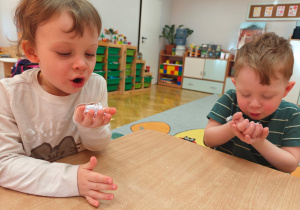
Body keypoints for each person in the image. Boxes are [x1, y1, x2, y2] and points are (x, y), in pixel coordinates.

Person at [0, 0, 117, 207]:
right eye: (64, 52)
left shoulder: (95, 85)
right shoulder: (9, 94)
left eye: (90, 53)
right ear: (32, 52)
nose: (82, 64)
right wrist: (70, 180)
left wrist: (91, 129)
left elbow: (98, 147)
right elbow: (4, 164)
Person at [204, 32, 300, 173]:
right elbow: (208, 140)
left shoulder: (292, 114)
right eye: (245, 94)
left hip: (262, 184)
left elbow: (290, 164)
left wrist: (259, 142)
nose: (254, 104)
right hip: (221, 172)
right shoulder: (230, 99)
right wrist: (232, 129)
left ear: (287, 89)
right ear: (236, 86)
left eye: (267, 96)